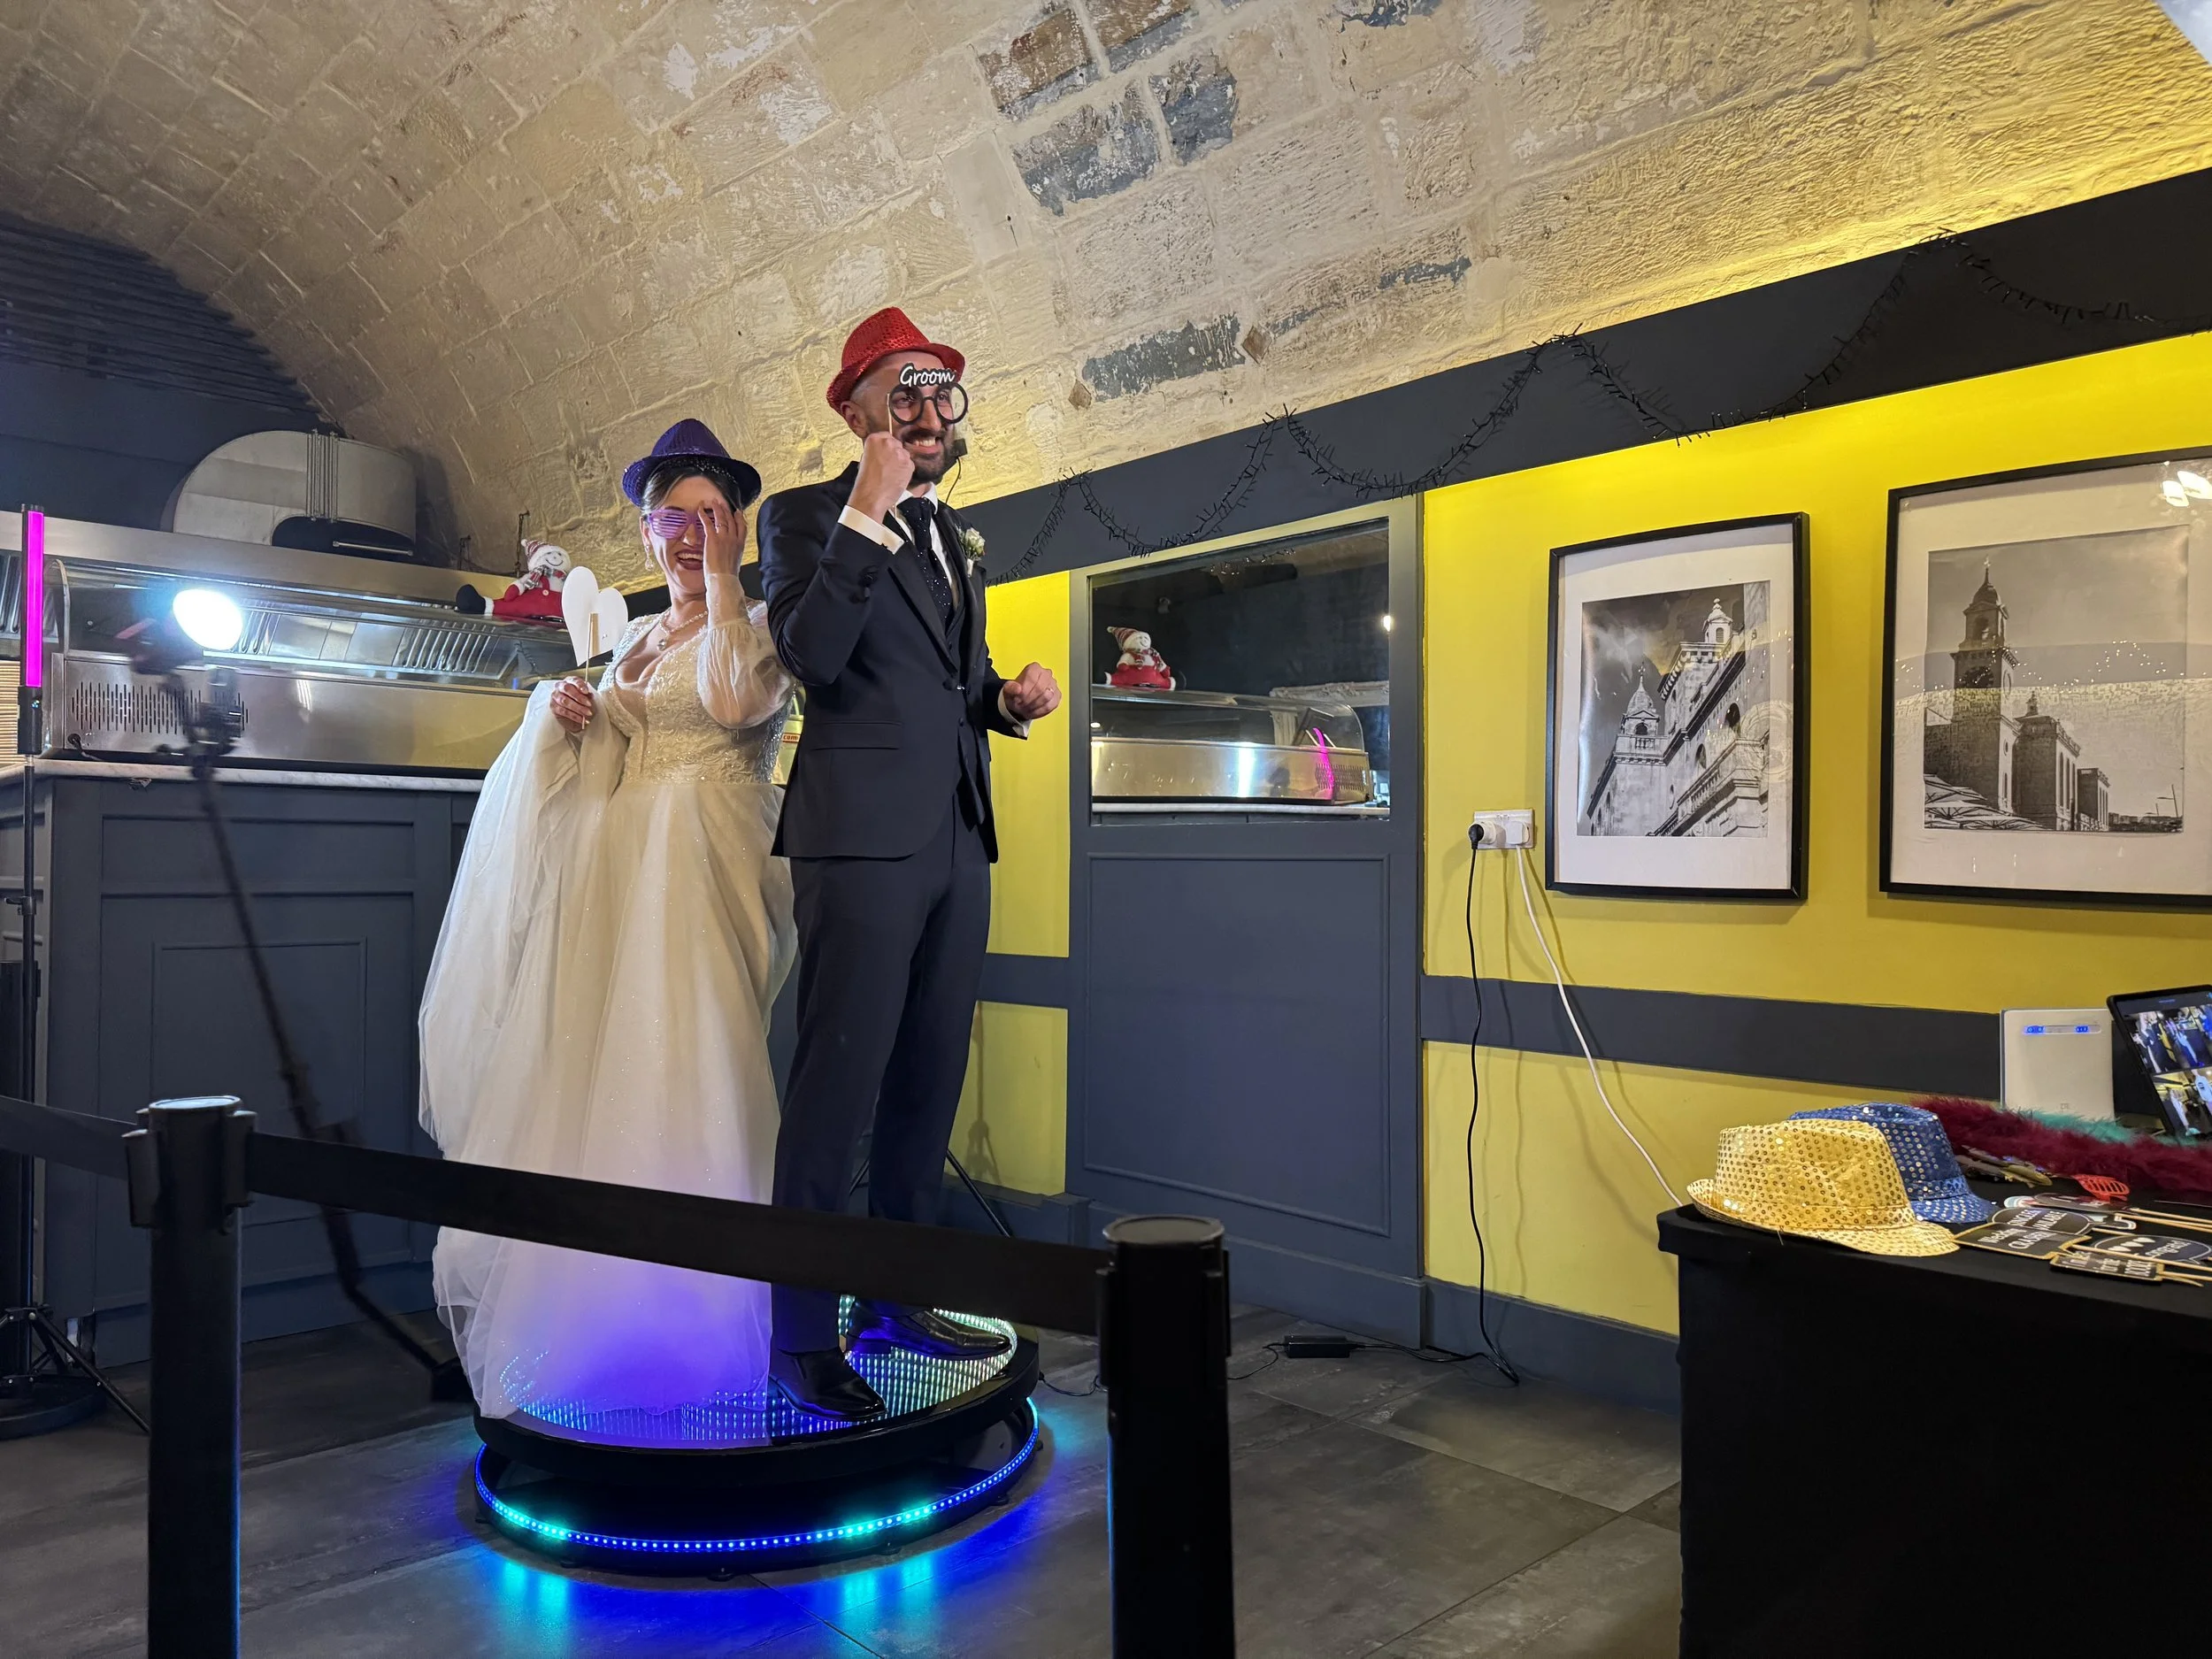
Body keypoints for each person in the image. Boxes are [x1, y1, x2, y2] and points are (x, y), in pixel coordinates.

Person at [419, 419, 797, 1427]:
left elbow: (730, 704)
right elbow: (607, 757)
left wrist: (723, 578)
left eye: (709, 518)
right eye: (668, 520)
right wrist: (563, 714)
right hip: (618, 878)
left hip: (706, 870)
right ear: (642, 533)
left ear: (739, 527)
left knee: (696, 1066)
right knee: (604, 1078)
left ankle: (702, 1325)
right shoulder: (633, 637)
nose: (686, 537)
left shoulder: (757, 623)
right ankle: (601, 1320)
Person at [758, 307, 1061, 1421]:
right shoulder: (805, 519)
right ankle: (799, 1335)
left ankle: (895, 1297)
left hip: (956, 835)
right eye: (905, 394)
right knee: (834, 1085)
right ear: (856, 413)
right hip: (857, 843)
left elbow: (945, 688)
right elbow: (812, 658)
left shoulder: (957, 538)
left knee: (928, 1081)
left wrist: (1005, 702)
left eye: (942, 395)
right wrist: (865, 513)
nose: (930, 414)